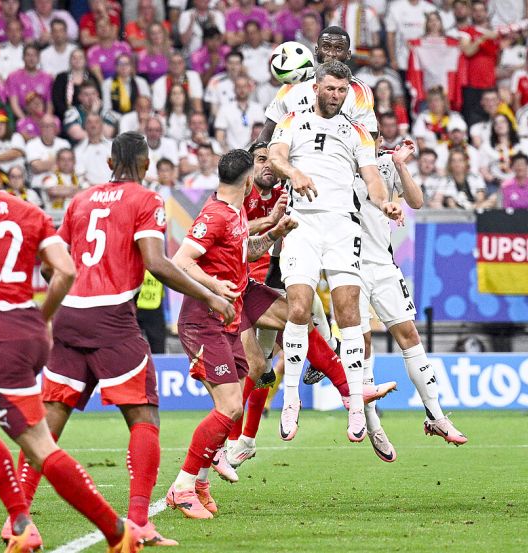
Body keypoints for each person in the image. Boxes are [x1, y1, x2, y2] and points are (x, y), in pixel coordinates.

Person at [0, 127, 144, 553]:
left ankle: (117, 533)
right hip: (28, 333)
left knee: (40, 446)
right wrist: (42, 318)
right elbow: (66, 270)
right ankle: (22, 523)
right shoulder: (27, 210)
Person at [12, 132, 235, 546]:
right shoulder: (146, 200)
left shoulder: (80, 200)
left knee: (48, 422)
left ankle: (18, 521)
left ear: (109, 161)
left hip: (69, 317)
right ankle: (138, 522)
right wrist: (209, 295)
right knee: (144, 417)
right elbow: (155, 262)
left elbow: (49, 266)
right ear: (146, 165)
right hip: (112, 318)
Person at [268, 61, 403, 441]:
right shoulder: (293, 120)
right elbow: (276, 156)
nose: (336, 96)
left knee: (349, 315)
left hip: (343, 227)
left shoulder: (356, 131)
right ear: (316, 87)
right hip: (303, 225)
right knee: (298, 307)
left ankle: (356, 407)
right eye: (330, 88)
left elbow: (372, 177)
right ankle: (291, 399)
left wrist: (385, 203)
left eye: (342, 90)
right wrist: (294, 173)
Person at [166, 149, 298, 518]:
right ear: (247, 180)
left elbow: (246, 251)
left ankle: (200, 482)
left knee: (231, 405)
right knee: (229, 407)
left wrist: (274, 233)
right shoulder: (215, 214)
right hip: (202, 322)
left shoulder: (236, 212)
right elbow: (181, 260)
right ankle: (183, 486)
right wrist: (213, 286)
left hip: (226, 321)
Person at [351, 138, 467, 455]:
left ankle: (436, 416)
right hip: (348, 266)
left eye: (374, 133)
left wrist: (401, 165)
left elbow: (416, 201)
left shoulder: (387, 164)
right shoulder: (337, 160)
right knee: (362, 342)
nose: (371, 138)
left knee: (409, 335)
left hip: (383, 265)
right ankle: (372, 424)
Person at [458, 0, 501, 126]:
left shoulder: (495, 34)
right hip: (472, 85)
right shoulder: (467, 31)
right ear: (471, 13)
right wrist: (482, 38)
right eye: (475, 10)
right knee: (472, 120)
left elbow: (497, 58)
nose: (479, 13)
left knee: (492, 119)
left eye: (481, 10)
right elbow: (468, 51)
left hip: (490, 84)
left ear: (486, 13)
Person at [479, 113, 528, 186]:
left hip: (522, 184)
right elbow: (483, 169)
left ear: (509, 125)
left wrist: (520, 182)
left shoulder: (524, 143)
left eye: (503, 122)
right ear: (493, 128)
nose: (499, 125)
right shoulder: (486, 146)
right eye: (496, 123)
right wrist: (497, 182)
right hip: (497, 184)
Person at [385, 0, 438, 76]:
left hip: (426, 61)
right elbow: (390, 35)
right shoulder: (395, 8)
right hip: (403, 60)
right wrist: (393, 59)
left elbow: (436, 33)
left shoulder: (430, 8)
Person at [214, 76, 264, 151]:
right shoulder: (225, 109)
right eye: (239, 87)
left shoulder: (258, 108)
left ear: (249, 88)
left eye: (244, 86)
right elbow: (220, 136)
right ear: (234, 89)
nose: (242, 89)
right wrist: (227, 153)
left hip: (254, 151)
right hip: (232, 152)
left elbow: (263, 133)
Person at [6, 46, 55, 120]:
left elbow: (49, 104)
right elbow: (14, 104)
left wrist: (46, 119)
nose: (31, 58)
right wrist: (25, 121)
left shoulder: (47, 78)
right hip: (21, 115)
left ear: (39, 58)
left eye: (34, 55)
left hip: (42, 116)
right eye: (28, 55)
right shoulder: (13, 77)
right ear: (23, 57)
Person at [74, 112, 113, 186]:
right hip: (91, 190)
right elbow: (80, 176)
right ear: (85, 126)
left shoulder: (113, 146)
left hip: (115, 188)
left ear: (102, 125)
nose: (93, 125)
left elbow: (121, 170)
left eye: (96, 122)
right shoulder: (78, 151)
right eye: (89, 122)